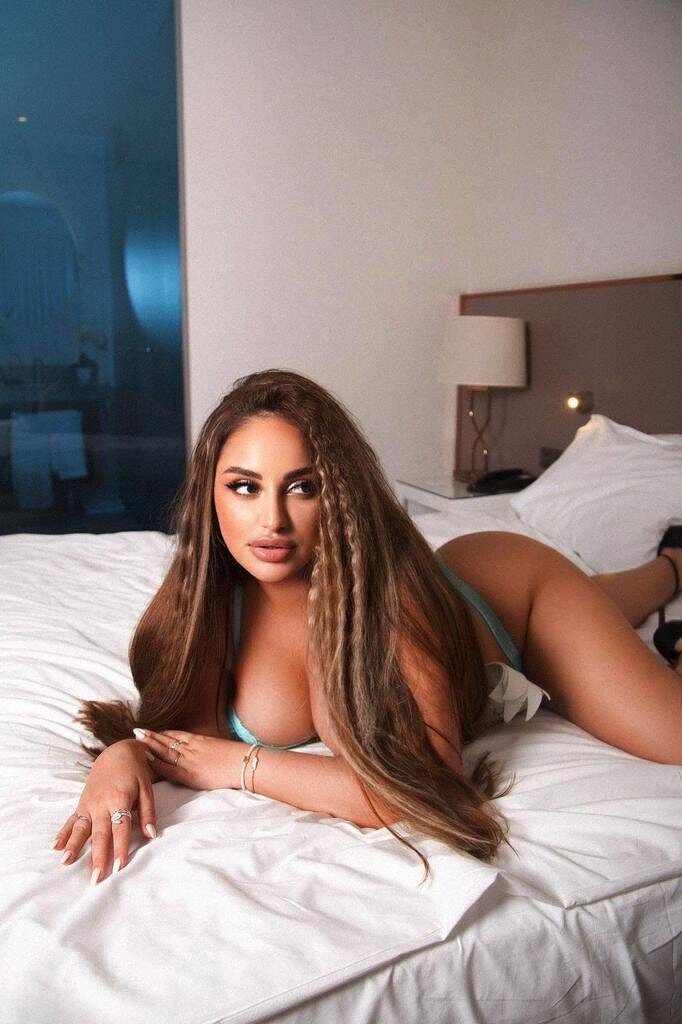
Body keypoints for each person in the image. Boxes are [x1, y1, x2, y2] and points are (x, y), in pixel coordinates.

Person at [53, 370, 682, 884]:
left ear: (339, 493)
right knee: (609, 602)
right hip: (472, 598)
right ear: (209, 495)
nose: (272, 521)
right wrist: (121, 755)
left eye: (303, 487)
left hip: (514, 595)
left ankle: (670, 567)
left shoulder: (389, 597)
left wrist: (242, 765)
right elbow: (179, 741)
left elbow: (429, 790)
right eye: (244, 488)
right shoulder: (203, 607)